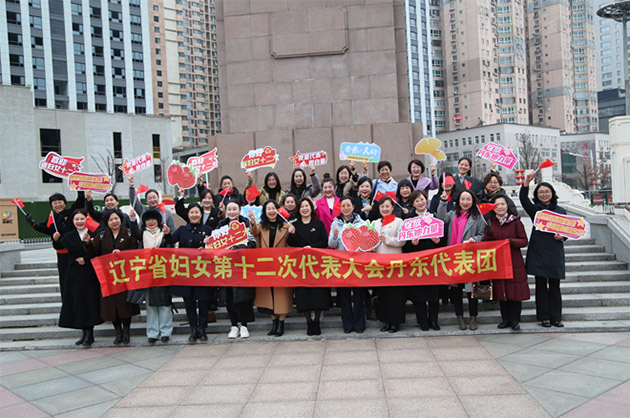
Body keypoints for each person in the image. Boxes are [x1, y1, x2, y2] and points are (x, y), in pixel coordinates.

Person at [84, 209, 140, 344]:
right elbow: (93, 252)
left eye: (116, 219)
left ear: (121, 219)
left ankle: (126, 331)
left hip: (125, 275)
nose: (114, 222)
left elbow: (135, 250)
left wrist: (122, 253)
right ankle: (118, 332)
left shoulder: (128, 233)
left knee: (125, 304)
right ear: (106, 222)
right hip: (109, 276)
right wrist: (87, 243)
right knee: (111, 305)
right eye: (111, 220)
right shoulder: (102, 235)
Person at [520, 172, 566, 328]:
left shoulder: (560, 211)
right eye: (541, 192)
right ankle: (544, 317)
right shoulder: (535, 211)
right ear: (537, 195)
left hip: (555, 252)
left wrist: (563, 237)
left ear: (552, 193)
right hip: (539, 252)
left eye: (547, 191)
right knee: (540, 285)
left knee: (555, 286)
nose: (544, 194)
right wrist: (526, 183)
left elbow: (568, 230)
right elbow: (523, 200)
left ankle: (556, 317)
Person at [437, 189, 486, 331]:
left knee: (471, 290)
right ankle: (459, 317)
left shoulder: (478, 217)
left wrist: (474, 239)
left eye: (468, 199)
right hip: (454, 257)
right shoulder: (452, 214)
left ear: (473, 201)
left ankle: (473, 317)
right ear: (458, 201)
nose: (465, 202)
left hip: (469, 257)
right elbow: (440, 218)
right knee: (456, 290)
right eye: (463, 199)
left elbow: (482, 234)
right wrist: (443, 202)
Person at [165, 203, 214, 342]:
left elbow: (216, 249)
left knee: (204, 302)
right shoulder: (182, 230)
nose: (194, 215)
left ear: (201, 214)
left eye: (197, 212)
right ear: (188, 215)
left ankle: (202, 329)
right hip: (186, 273)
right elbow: (170, 241)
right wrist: (167, 233)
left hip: (202, 272)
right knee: (189, 303)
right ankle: (193, 330)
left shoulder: (208, 230)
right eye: (192, 212)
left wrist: (207, 246)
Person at [25, 191, 85, 300]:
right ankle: (66, 303)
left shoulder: (71, 213)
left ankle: (78, 302)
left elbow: (79, 203)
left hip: (73, 253)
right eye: (55, 203)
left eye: (60, 202)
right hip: (61, 255)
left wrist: (80, 192)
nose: (58, 205)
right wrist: (32, 223)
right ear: (52, 205)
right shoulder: (52, 217)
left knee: (76, 279)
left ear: (65, 203)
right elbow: (45, 228)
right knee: (64, 281)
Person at [250, 200, 296, 337]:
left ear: (278, 210)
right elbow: (254, 231)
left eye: (273, 208)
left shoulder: (286, 226)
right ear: (264, 212)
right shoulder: (261, 225)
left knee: (281, 295)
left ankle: (281, 323)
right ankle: (274, 322)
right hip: (266, 265)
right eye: (268, 209)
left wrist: (292, 231)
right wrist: (252, 220)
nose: (271, 211)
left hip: (282, 265)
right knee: (269, 294)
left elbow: (291, 244)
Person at [483, 195, 529, 331]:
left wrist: (511, 242)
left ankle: (515, 320)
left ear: (508, 205)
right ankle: (505, 319)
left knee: (515, 292)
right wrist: (488, 235)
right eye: (497, 205)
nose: (500, 207)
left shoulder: (515, 221)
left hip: (514, 261)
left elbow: (524, 241)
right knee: (501, 290)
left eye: (502, 204)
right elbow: (486, 244)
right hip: (499, 262)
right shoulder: (490, 223)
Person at [126, 210, 173, 344]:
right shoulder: (142, 235)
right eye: (148, 220)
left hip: (163, 274)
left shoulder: (164, 234)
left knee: (164, 304)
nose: (151, 222)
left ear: (158, 221)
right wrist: (133, 220)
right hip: (147, 274)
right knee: (150, 305)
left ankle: (165, 332)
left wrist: (168, 235)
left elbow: (171, 248)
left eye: (153, 219)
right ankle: (152, 333)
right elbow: (134, 233)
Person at [57, 209, 102, 347]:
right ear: (73, 221)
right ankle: (84, 332)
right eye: (76, 219)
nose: (79, 222)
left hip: (91, 273)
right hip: (75, 274)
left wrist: (86, 259)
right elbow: (59, 246)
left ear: (87, 219)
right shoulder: (69, 236)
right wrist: (55, 238)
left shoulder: (94, 234)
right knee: (79, 302)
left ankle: (90, 333)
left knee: (90, 302)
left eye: (82, 218)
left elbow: (99, 252)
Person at [288, 198, 330, 335]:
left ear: (311, 208)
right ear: (298, 209)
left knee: (319, 295)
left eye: (307, 206)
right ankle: (309, 322)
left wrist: (311, 248)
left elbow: (324, 241)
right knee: (303, 295)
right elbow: (291, 244)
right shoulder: (295, 225)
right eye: (302, 206)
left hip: (317, 264)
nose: (305, 209)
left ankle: (316, 321)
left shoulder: (319, 223)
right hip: (301, 266)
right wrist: (291, 233)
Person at [217, 201, 257, 339]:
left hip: (243, 266)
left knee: (244, 297)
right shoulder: (221, 225)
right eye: (229, 209)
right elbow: (215, 243)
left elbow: (253, 243)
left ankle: (244, 325)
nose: (232, 212)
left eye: (235, 209)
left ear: (240, 210)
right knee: (229, 297)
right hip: (226, 266)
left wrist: (238, 249)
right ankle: (234, 325)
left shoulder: (246, 224)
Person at [402, 191, 441, 331]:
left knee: (433, 294)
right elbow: (404, 244)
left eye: (422, 199)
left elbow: (442, 239)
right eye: (417, 201)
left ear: (426, 200)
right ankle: (422, 321)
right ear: (413, 204)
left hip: (431, 261)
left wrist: (437, 241)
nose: (420, 203)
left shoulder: (433, 217)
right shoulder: (409, 220)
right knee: (418, 294)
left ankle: (434, 320)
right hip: (416, 262)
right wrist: (411, 244)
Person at [328, 197, 367, 333]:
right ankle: (347, 324)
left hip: (357, 264)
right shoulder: (335, 223)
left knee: (358, 295)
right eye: (343, 206)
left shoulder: (361, 223)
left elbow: (365, 244)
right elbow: (331, 244)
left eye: (348, 205)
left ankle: (359, 324)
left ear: (353, 207)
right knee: (344, 295)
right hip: (342, 264)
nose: (345, 208)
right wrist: (334, 236)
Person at [373, 197, 405, 333]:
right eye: (382, 207)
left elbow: (402, 241)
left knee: (395, 294)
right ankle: (385, 320)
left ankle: (395, 322)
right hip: (379, 264)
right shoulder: (375, 223)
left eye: (387, 206)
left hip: (394, 263)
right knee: (383, 294)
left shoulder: (399, 222)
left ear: (392, 207)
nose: (384, 209)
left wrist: (388, 240)